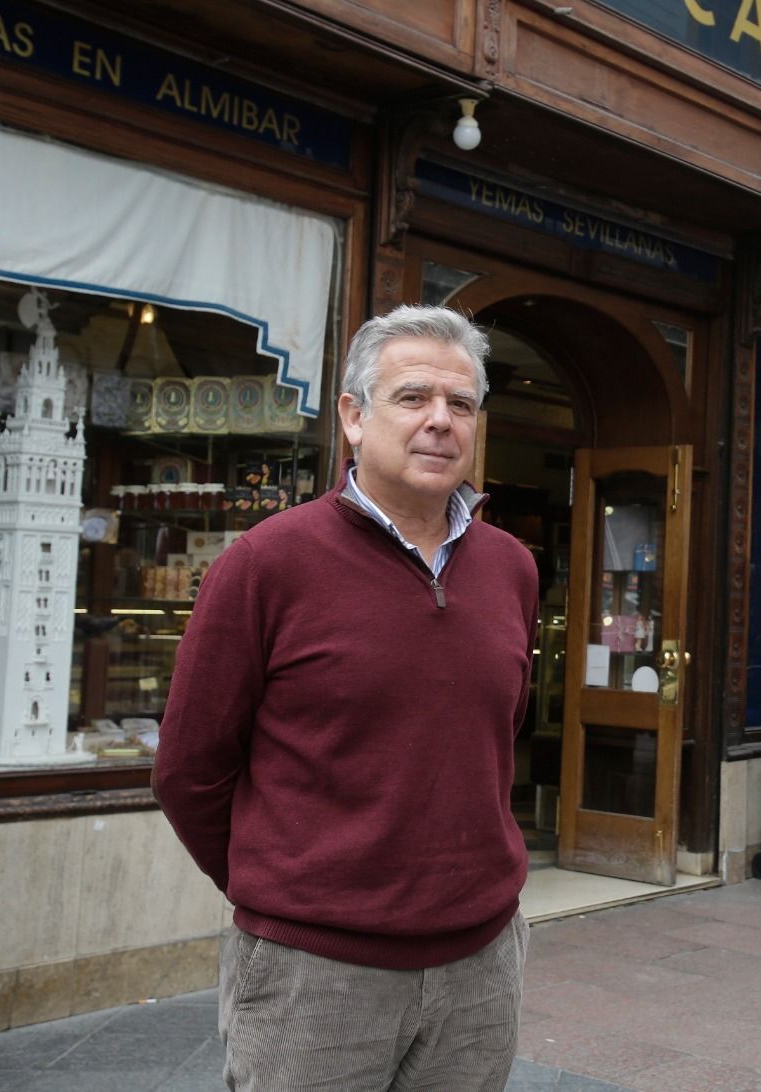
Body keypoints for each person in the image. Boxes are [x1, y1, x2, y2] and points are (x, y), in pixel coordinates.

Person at [153, 306, 539, 1091]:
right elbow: (189, 770)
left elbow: (497, 736)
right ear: (354, 418)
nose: (440, 422)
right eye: (413, 398)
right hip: (314, 975)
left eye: (460, 405)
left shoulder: (511, 568)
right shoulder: (266, 564)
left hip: (481, 967)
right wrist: (290, 888)